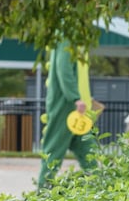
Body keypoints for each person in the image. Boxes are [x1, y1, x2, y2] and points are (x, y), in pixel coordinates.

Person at [37, 42, 98, 188]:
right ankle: (43, 189)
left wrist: (81, 98)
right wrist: (75, 97)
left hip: (73, 105)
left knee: (87, 147)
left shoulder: (71, 36)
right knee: (54, 147)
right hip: (65, 104)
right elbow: (63, 68)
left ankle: (97, 185)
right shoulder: (67, 36)